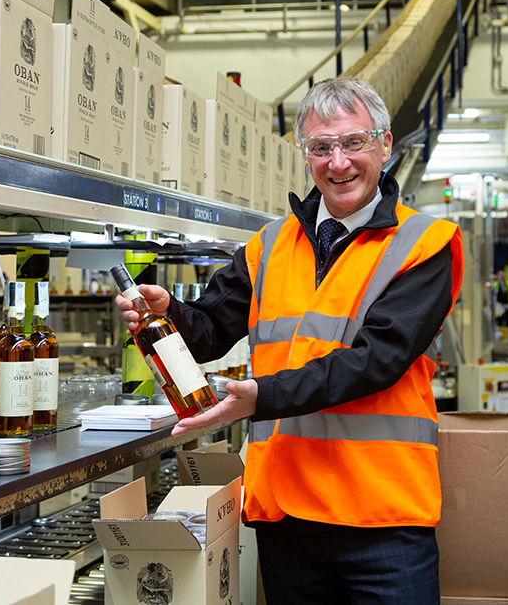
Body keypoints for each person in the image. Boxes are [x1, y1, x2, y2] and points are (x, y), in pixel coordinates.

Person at [116, 76, 463, 604]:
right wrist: (171, 315)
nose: (338, 162)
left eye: (354, 142)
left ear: (385, 145)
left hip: (382, 517)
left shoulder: (425, 244)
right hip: (287, 512)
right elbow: (209, 331)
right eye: (321, 147)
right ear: (306, 156)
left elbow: (376, 362)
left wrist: (260, 397)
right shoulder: (270, 244)